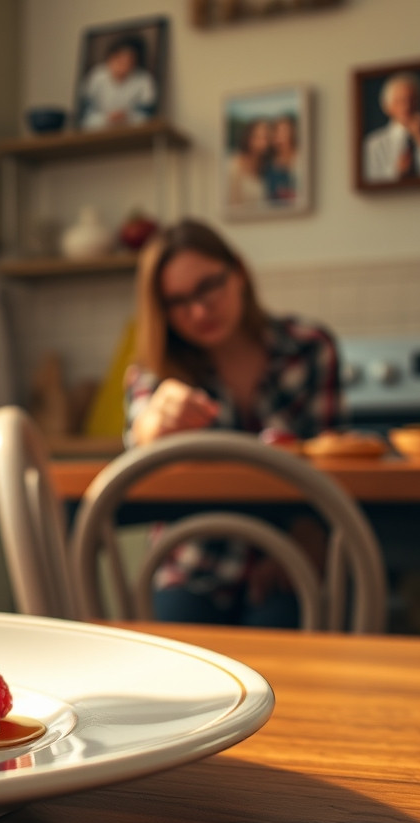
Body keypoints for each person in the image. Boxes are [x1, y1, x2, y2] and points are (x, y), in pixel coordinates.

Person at [124, 219, 341, 626]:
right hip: (191, 563)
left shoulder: (310, 349)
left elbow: (328, 469)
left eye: (209, 287)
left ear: (238, 271)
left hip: (290, 557)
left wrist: (307, 545)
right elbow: (138, 438)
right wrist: (153, 423)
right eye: (177, 301)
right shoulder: (155, 372)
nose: (200, 311)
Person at [362, 71, 420, 183]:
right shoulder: (373, 144)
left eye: (413, 100)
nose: (407, 106)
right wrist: (396, 172)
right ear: (387, 106)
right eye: (400, 101)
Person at [77, 33, 157, 130]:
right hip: (98, 133)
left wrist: (127, 116)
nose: (123, 64)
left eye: (128, 60)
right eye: (119, 58)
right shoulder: (96, 76)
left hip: (131, 134)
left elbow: (148, 118)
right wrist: (107, 118)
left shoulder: (144, 80)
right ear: (110, 57)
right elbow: (84, 118)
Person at [226, 118, 270, 208]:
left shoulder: (268, 166)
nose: (263, 143)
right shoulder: (233, 166)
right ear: (249, 138)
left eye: (266, 137)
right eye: (258, 137)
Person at [264, 114, 300, 205]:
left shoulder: (301, 159)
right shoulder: (268, 164)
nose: (280, 137)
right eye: (276, 132)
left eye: (284, 132)